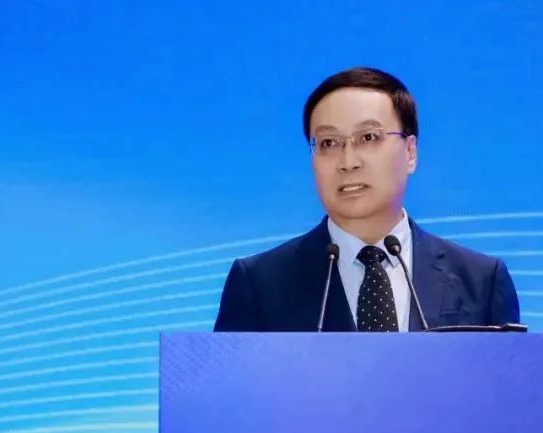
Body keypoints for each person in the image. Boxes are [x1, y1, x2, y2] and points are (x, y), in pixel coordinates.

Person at [213, 67, 520, 332]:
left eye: (368, 138)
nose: (348, 161)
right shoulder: (259, 283)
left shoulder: (481, 280)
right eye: (329, 143)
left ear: (410, 152)